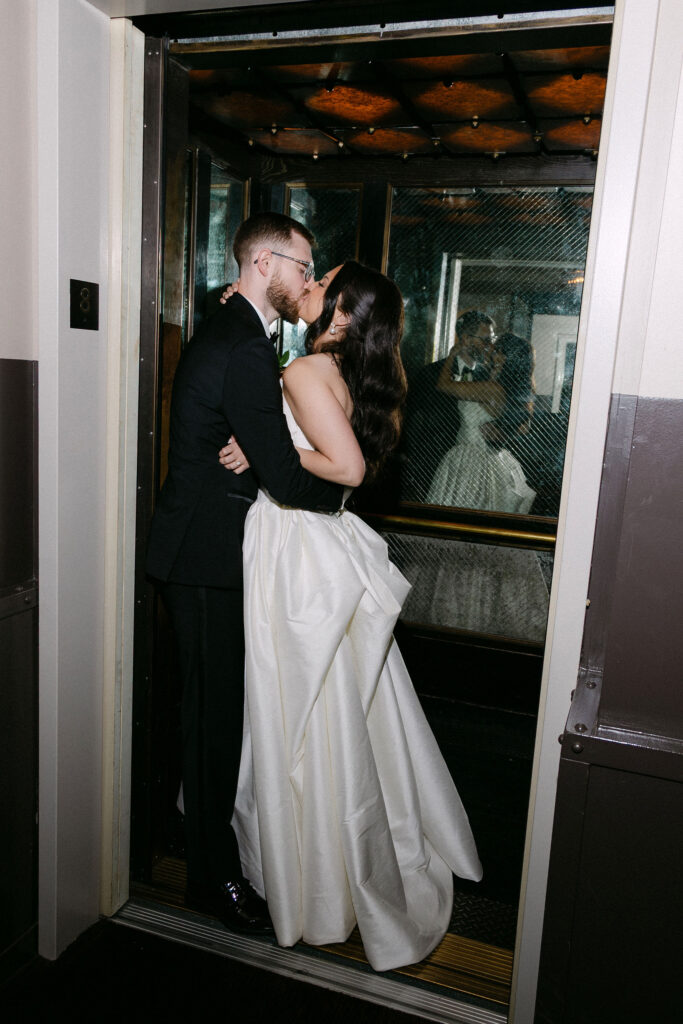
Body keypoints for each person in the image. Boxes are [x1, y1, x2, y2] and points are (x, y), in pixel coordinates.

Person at [219, 263, 482, 972]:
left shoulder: (309, 370)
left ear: (339, 311)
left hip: (295, 545)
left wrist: (269, 448)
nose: (309, 284)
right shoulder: (343, 370)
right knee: (337, 704)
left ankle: (312, 868)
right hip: (318, 536)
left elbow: (348, 467)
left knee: (296, 703)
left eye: (322, 281)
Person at [145, 212, 344, 935]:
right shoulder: (243, 345)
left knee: (208, 713)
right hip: (204, 556)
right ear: (264, 264)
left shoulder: (234, 328)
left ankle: (197, 847)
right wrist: (342, 492)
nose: (306, 280)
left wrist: (253, 446)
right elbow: (287, 477)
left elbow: (255, 442)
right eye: (302, 266)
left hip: (203, 551)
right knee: (212, 722)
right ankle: (210, 880)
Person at [427, 331, 536, 514]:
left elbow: (443, 385)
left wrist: (452, 355)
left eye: (498, 350)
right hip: (493, 459)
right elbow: (524, 427)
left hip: (470, 461)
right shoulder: (507, 387)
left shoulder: (492, 389)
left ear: (506, 358)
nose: (491, 351)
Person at [401, 311, 495, 501]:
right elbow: (410, 417)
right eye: (486, 340)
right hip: (432, 463)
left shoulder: (488, 377)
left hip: (474, 469)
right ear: (466, 339)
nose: (490, 346)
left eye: (492, 340)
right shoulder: (432, 373)